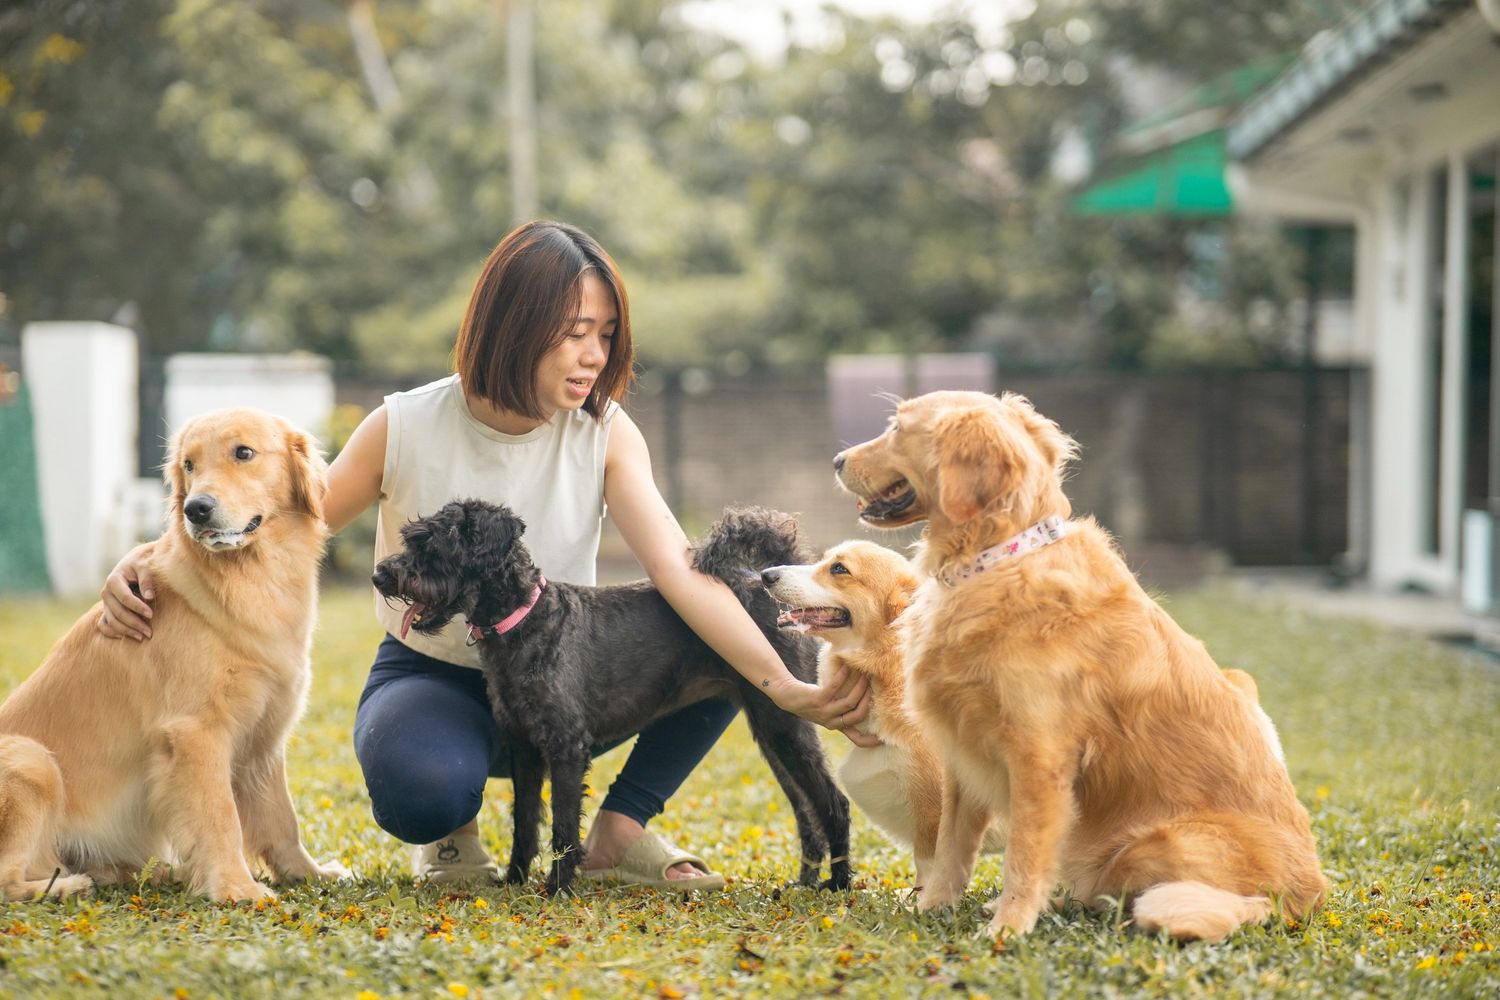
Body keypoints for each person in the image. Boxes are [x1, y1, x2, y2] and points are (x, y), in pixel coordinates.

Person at [98, 220, 873, 889]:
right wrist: (149, 554)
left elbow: (678, 569)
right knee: (419, 787)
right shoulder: (403, 425)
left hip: (570, 678)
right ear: (513, 322)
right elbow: (279, 516)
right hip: (435, 676)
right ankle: (451, 832)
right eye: (574, 332)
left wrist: (783, 684)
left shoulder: (605, 433)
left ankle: (622, 829)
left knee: (717, 635)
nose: (593, 355)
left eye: (605, 335)